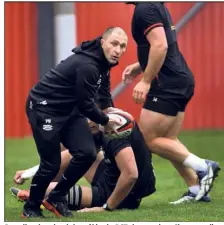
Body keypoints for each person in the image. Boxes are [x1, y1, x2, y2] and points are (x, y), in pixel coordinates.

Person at [23, 26, 128, 218]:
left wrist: (115, 115)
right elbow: (86, 104)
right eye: (114, 44)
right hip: (43, 108)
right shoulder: (89, 65)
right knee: (51, 164)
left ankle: (56, 197)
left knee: (87, 153)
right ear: (103, 42)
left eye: (123, 46)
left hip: (70, 110)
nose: (118, 50)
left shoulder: (104, 65)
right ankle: (31, 207)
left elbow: (103, 98)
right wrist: (106, 121)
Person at [123, 2, 220, 203]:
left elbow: (161, 45)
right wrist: (139, 66)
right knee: (168, 139)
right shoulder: (156, 5)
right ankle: (196, 190)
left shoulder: (145, 9)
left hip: (166, 84)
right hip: (178, 80)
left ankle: (203, 166)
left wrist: (146, 80)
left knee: (149, 139)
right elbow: (162, 45)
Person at [11, 119, 156, 213]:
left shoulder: (113, 131)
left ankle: (38, 195)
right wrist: (29, 172)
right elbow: (68, 155)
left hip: (121, 195)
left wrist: (106, 208)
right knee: (77, 151)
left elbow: (131, 174)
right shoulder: (102, 123)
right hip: (110, 174)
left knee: (49, 192)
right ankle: (38, 191)